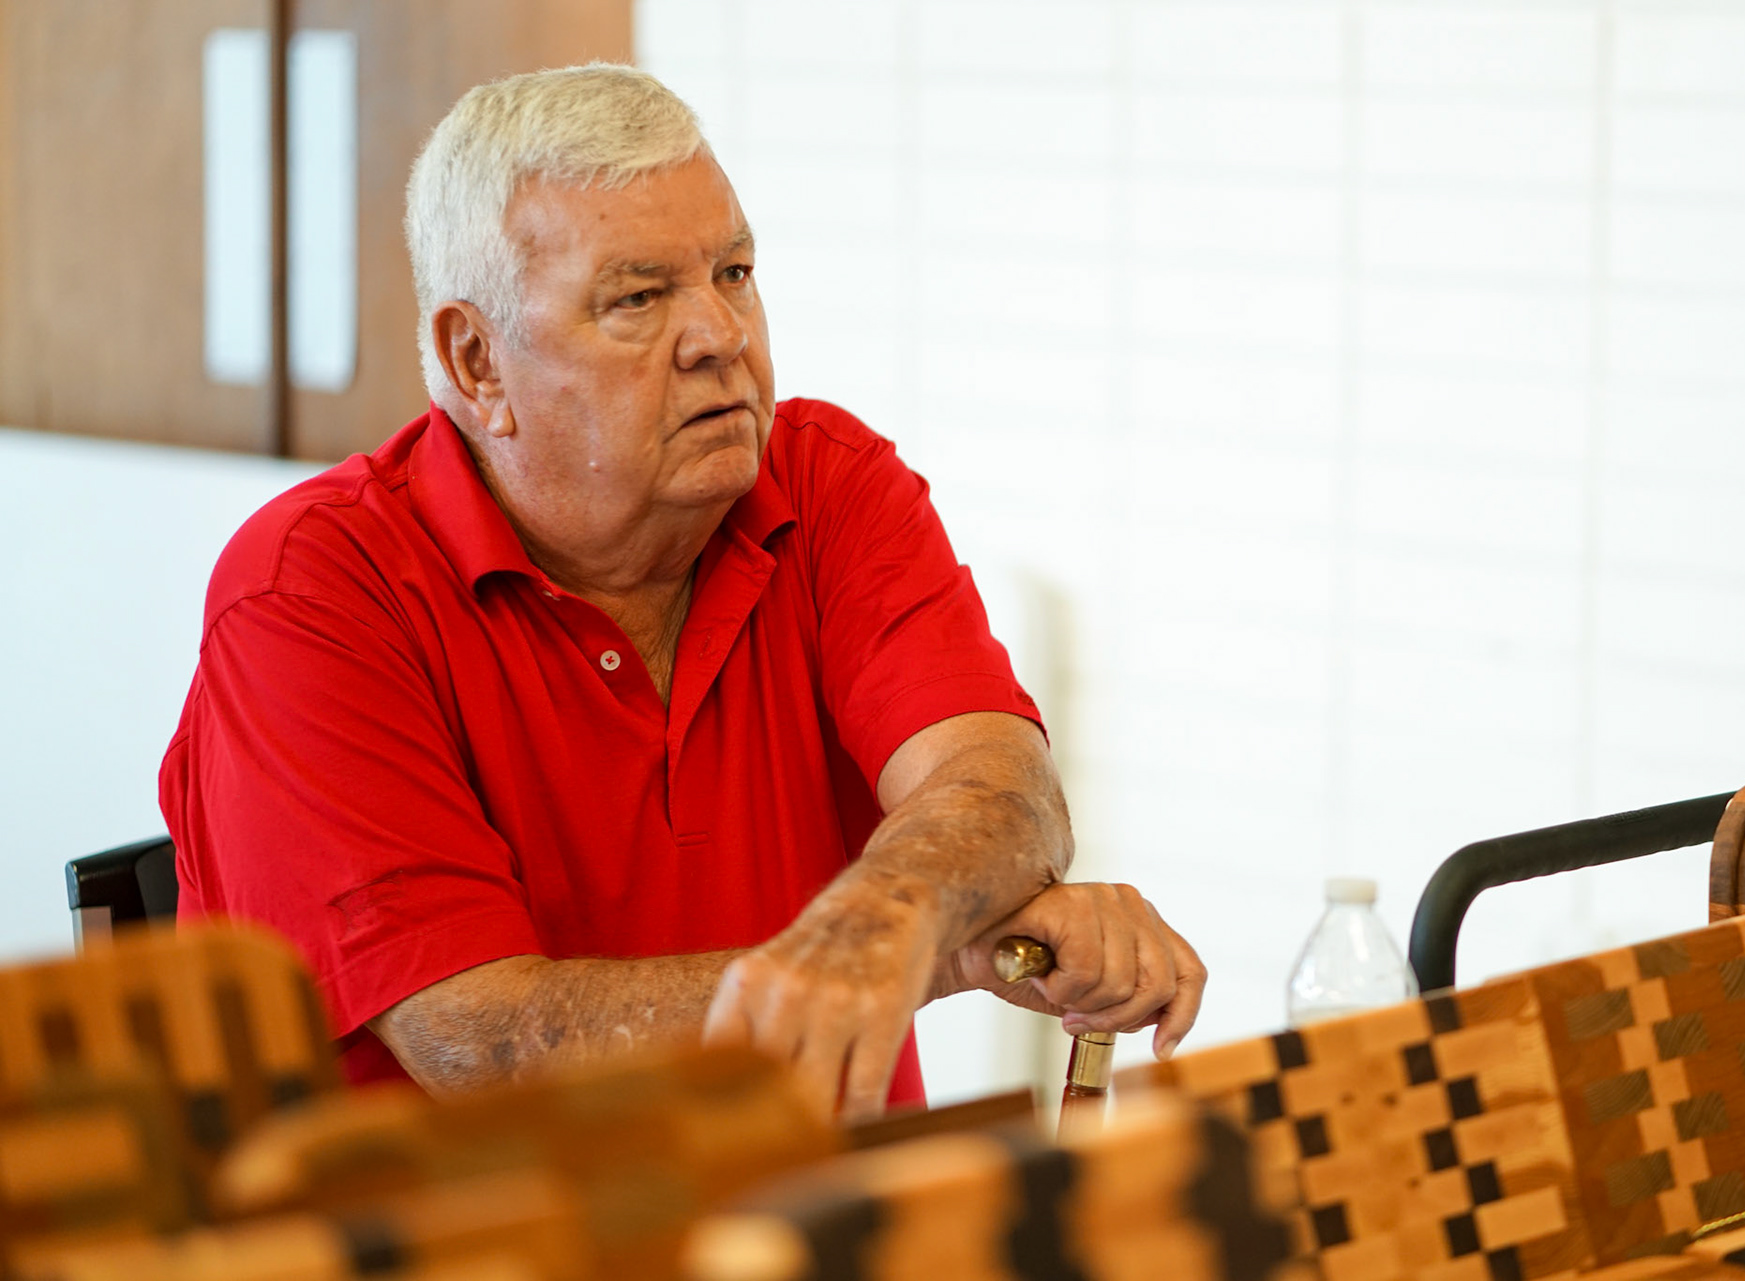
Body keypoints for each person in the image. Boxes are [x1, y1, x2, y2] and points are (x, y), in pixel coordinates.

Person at [160, 63, 1205, 1120]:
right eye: (639, 297)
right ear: (477, 363)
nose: (720, 336)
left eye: (733, 273)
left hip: (815, 1200)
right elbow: (481, 1040)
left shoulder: (830, 483)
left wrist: (886, 925)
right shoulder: (309, 591)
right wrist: (928, 951)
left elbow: (1001, 792)